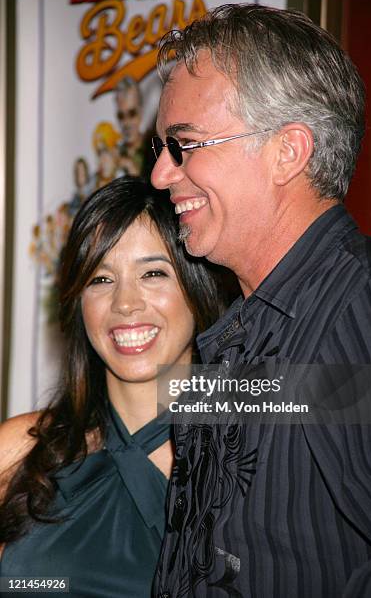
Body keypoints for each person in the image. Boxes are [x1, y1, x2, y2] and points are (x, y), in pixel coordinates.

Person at [150, 4, 371, 598]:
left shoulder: (367, 307)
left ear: (288, 151)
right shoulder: (238, 329)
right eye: (161, 148)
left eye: (184, 144)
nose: (161, 174)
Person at [0, 177, 226, 597]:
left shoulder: (253, 451)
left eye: (153, 273)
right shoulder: (19, 451)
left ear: (199, 288)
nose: (125, 303)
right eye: (101, 279)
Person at [115, 77, 145, 176]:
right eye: (121, 116)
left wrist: (131, 167)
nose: (126, 123)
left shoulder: (155, 151)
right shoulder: (115, 153)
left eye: (132, 114)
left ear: (141, 113)